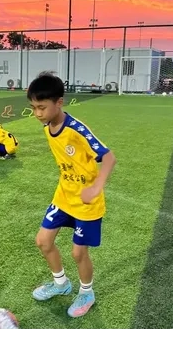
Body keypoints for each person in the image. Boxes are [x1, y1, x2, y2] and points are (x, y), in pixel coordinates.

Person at [27, 71, 116, 318]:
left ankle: (87, 293)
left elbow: (109, 158)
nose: (37, 114)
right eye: (33, 108)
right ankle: (61, 284)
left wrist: (96, 188)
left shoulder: (77, 130)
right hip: (64, 197)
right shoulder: (47, 127)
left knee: (78, 253)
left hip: (87, 203)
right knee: (43, 241)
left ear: (59, 102)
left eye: (42, 107)